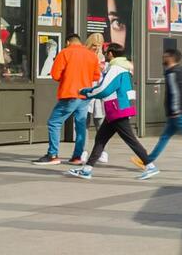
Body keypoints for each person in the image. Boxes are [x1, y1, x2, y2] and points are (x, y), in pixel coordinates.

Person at [67, 43, 157, 181]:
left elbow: (105, 89)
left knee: (130, 139)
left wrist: (87, 92)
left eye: (107, 52)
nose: (106, 54)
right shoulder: (125, 68)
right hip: (118, 108)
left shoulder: (115, 68)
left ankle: (150, 165)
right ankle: (87, 169)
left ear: (111, 54)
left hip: (116, 109)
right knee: (100, 139)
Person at [32, 34, 101, 166]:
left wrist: (68, 76)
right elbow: (96, 76)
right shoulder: (91, 55)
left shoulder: (65, 53)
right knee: (80, 126)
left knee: (54, 122)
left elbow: (55, 74)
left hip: (70, 93)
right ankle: (77, 156)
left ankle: (53, 155)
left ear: (68, 42)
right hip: (85, 95)